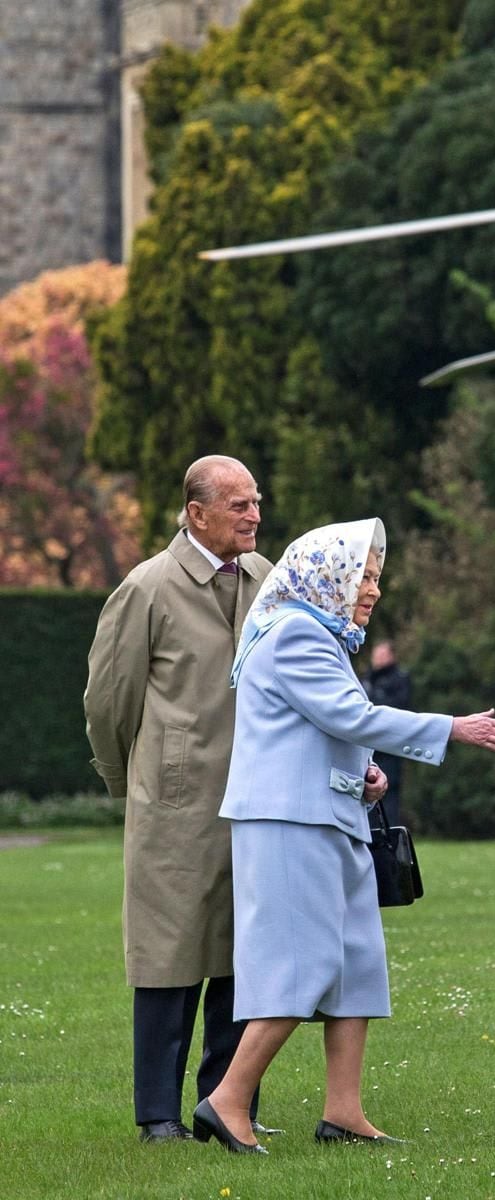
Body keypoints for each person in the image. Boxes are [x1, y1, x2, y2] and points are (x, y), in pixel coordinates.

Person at [192, 519, 495, 1154]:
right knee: (305, 966)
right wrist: (452, 728)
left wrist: (362, 773)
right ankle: (227, 1100)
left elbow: (323, 731)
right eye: (362, 575)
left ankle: (343, 1113)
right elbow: (351, 715)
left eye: (376, 577)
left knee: (356, 966)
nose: (372, 589)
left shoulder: (321, 635)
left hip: (327, 817)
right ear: (327, 575)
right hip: (290, 825)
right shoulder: (295, 635)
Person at [84, 455, 276, 1142]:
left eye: (256, 502)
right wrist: (134, 785)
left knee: (240, 953)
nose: (255, 515)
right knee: (168, 957)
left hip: (256, 798)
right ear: (196, 513)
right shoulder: (148, 588)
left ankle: (226, 1105)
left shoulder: (266, 579)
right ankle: (158, 1114)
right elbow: (109, 703)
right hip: (173, 801)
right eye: (239, 505)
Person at [364, 639, 413, 827]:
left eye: (382, 655)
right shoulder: (366, 679)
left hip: (390, 748)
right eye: (376, 655)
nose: (377, 659)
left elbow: (400, 708)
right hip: (368, 748)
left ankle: (389, 833)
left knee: (388, 793)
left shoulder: (398, 679)